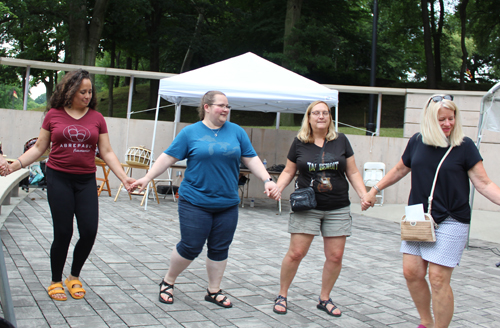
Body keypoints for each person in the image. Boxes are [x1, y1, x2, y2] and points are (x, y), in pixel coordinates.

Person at [129, 90, 279, 308]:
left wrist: (267, 180)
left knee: (220, 248)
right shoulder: (190, 132)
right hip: (195, 201)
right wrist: (147, 177)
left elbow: (250, 157)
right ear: (207, 107)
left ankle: (213, 290)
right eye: (221, 105)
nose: (226, 110)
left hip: (227, 203)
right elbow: (168, 157)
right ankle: (168, 281)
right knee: (191, 246)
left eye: (228, 106)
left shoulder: (236, 132)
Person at [362, 95, 500, 328]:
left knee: (437, 278)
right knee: (411, 272)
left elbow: (484, 183)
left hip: (451, 218)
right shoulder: (417, 141)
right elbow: (400, 168)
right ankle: (426, 322)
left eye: (451, 118)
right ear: (429, 121)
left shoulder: (464, 146)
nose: (448, 124)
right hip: (418, 217)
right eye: (441, 119)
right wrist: (374, 189)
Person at [7, 69, 134, 301]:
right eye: (82, 92)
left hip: (85, 180)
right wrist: (16, 164)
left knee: (89, 231)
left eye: (89, 91)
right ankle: (56, 280)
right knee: (63, 232)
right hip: (59, 178)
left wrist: (124, 178)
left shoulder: (97, 118)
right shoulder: (53, 114)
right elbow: (39, 148)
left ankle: (73, 276)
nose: (87, 96)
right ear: (70, 91)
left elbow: (106, 151)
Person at [271, 100, 367, 316]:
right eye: (316, 113)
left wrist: (363, 194)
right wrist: (278, 188)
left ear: (330, 117)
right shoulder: (299, 142)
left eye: (325, 113)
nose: (321, 116)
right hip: (307, 206)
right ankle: (282, 294)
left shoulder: (341, 140)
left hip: (337, 206)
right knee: (296, 253)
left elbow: (352, 172)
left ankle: (324, 298)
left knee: (335, 256)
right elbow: (288, 171)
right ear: (309, 117)